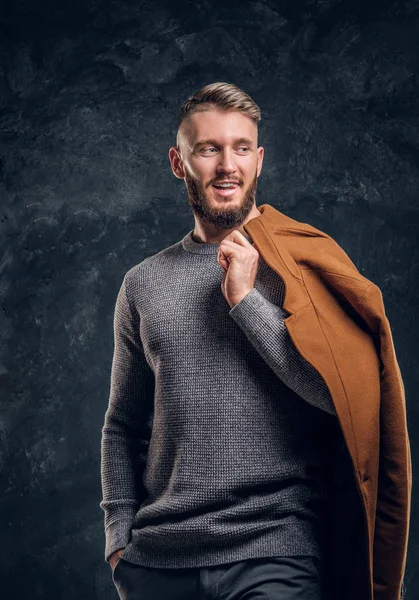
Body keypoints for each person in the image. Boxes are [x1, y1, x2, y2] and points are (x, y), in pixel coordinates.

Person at [100, 81, 344, 599]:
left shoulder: (302, 266)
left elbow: (336, 397)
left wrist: (246, 302)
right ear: (178, 161)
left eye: (239, 148)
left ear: (259, 160)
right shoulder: (143, 283)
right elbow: (123, 425)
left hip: (274, 547)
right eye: (208, 149)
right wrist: (119, 540)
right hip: (160, 561)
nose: (226, 165)